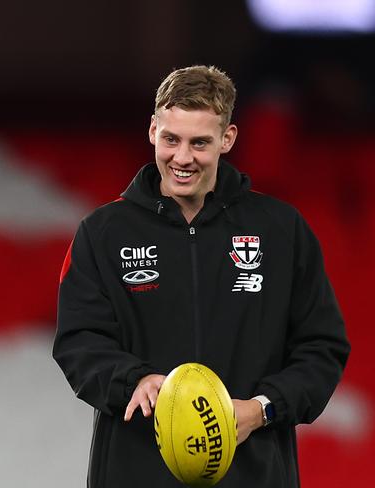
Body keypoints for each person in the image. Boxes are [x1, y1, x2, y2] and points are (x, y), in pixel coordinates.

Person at [53, 65, 350, 488]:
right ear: (153, 130)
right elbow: (78, 341)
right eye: (171, 139)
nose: (182, 157)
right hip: (135, 472)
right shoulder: (102, 233)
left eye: (200, 143)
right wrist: (132, 379)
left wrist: (263, 408)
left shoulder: (281, 230)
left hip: (253, 474)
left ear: (227, 139)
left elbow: (322, 347)